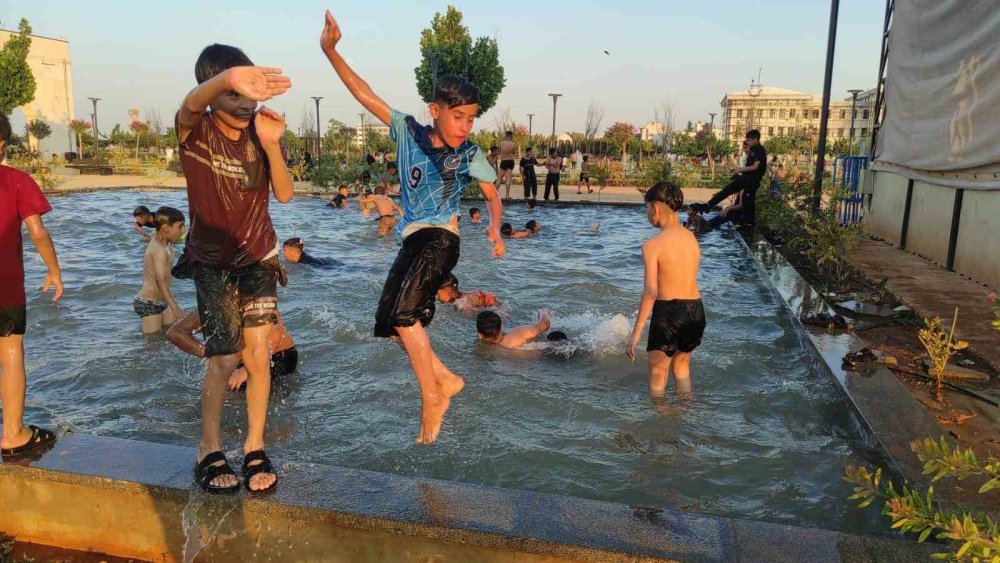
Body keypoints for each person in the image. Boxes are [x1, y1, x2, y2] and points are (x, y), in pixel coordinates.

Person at [321, 10, 504, 444]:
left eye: (472, 118)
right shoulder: (406, 130)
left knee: (404, 315)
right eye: (458, 116)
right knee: (389, 321)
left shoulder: (470, 153)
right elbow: (364, 93)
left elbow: (493, 195)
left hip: (442, 239)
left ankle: (433, 395)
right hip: (410, 239)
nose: (466, 126)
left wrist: (495, 229)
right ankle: (443, 377)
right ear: (434, 110)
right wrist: (331, 51)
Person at [176, 43, 293, 493]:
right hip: (212, 263)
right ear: (214, 90)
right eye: (234, 94)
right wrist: (227, 79)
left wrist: (271, 145)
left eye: (250, 94)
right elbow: (190, 104)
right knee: (223, 357)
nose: (245, 104)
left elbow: (283, 195)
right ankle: (209, 447)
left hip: (258, 257)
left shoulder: (259, 133)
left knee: (258, 355)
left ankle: (254, 445)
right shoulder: (195, 131)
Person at [0, 114, 64, 459]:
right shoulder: (17, 182)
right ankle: (12, 433)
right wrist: (54, 272)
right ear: (2, 146)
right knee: (10, 354)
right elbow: (37, 232)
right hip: (4, 289)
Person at [626, 182, 705, 397]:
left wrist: (635, 334)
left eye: (646, 208)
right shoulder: (691, 238)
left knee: (657, 375)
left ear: (656, 208)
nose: (647, 214)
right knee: (681, 368)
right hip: (696, 311)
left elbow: (651, 292)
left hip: (670, 313)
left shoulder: (653, 245)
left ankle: (661, 428)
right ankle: (686, 415)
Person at [166, 309, 297, 392]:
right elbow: (175, 333)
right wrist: (209, 354)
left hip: (278, 356)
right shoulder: (210, 307)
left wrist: (246, 370)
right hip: (244, 361)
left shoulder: (253, 296)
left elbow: (274, 337)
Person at [690, 130, 766, 228]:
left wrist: (739, 170)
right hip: (747, 178)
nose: (747, 142)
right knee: (731, 192)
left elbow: (755, 167)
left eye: (749, 140)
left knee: (747, 201)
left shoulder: (759, 150)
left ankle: (748, 223)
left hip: (752, 180)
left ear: (756, 139)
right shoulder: (754, 150)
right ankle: (708, 206)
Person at [135, 207, 186, 333]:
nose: (182, 231)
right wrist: (175, 307)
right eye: (180, 227)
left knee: (171, 336)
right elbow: (160, 281)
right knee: (152, 346)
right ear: (166, 228)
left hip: (162, 302)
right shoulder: (159, 249)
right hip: (149, 304)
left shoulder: (167, 244)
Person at [476, 309, 552, 349]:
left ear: (480, 335)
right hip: (548, 355)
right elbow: (545, 325)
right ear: (502, 326)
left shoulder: (484, 352)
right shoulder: (517, 334)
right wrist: (543, 312)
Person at [498, 131, 516, 199]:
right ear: (510, 136)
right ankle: (507, 195)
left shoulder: (501, 143)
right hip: (510, 161)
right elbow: (514, 152)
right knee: (508, 179)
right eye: (512, 136)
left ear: (506, 136)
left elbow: (500, 151)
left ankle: (494, 195)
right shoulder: (513, 144)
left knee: (499, 179)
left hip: (504, 161)